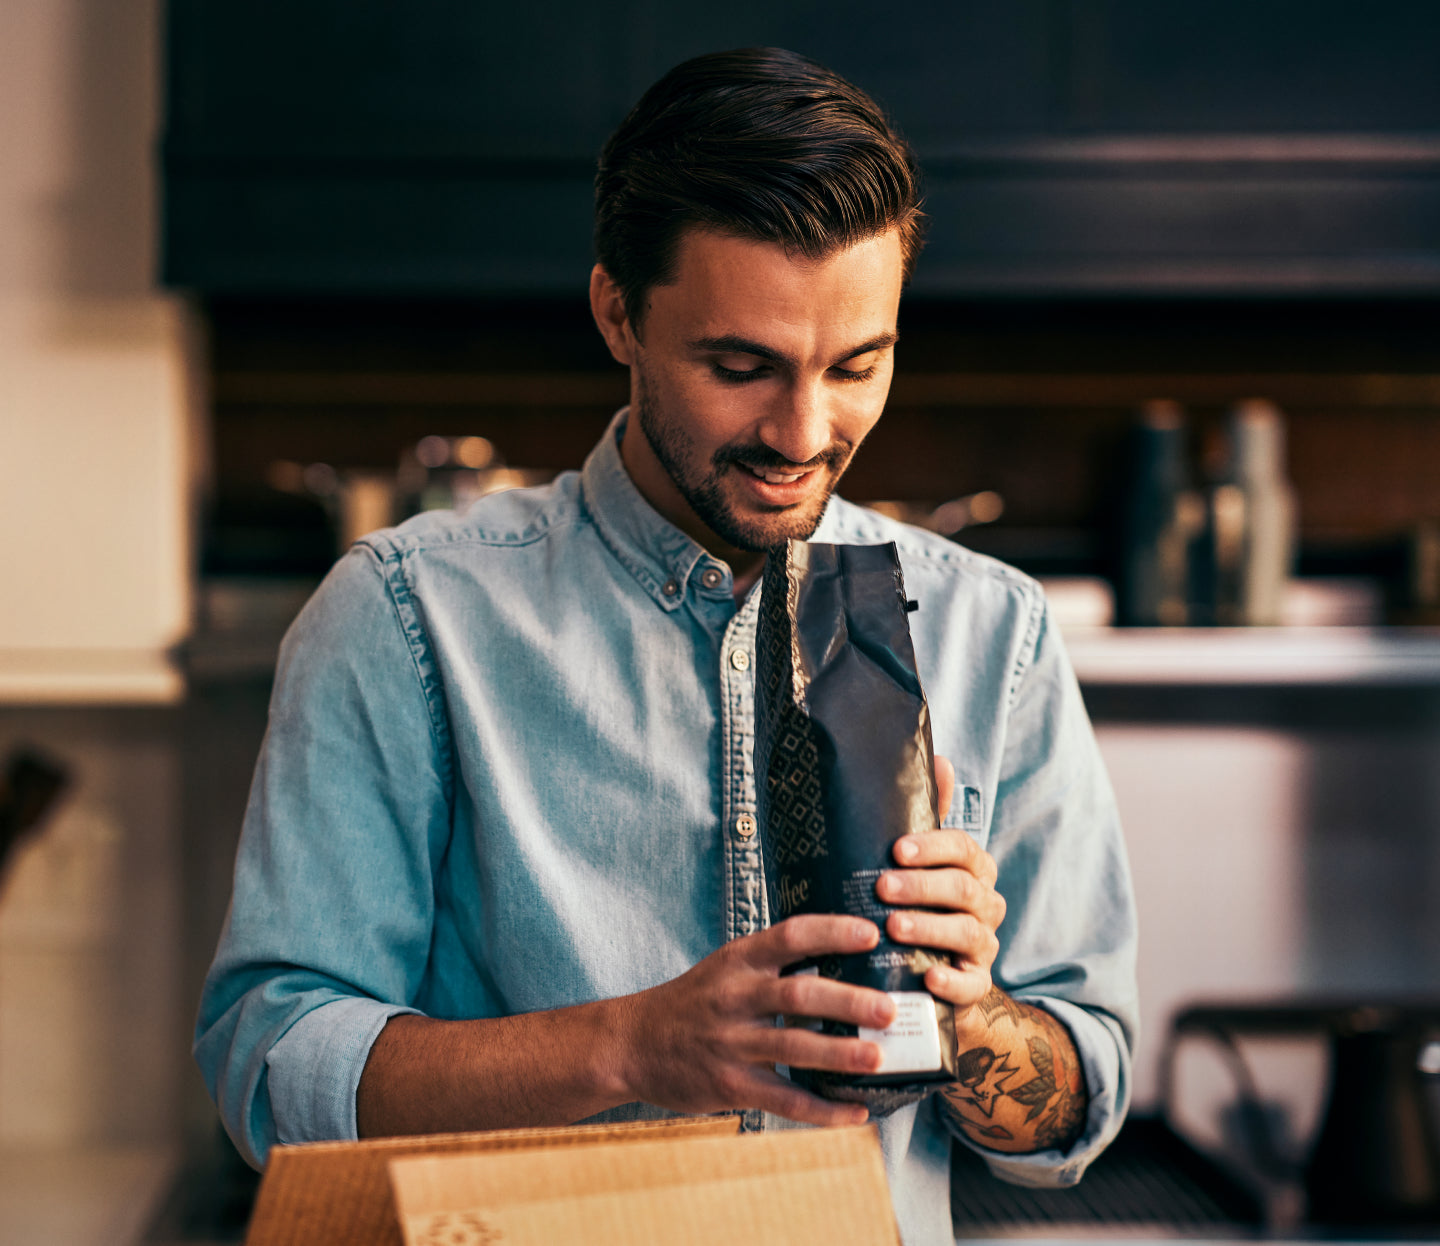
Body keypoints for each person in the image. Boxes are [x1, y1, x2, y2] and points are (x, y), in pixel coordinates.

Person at [195, 47, 1137, 1246]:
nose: (804, 431)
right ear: (617, 315)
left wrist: (969, 1015)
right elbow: (271, 1069)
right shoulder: (406, 615)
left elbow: (1080, 1094)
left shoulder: (989, 629)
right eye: (739, 367)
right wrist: (630, 1044)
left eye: (858, 365)